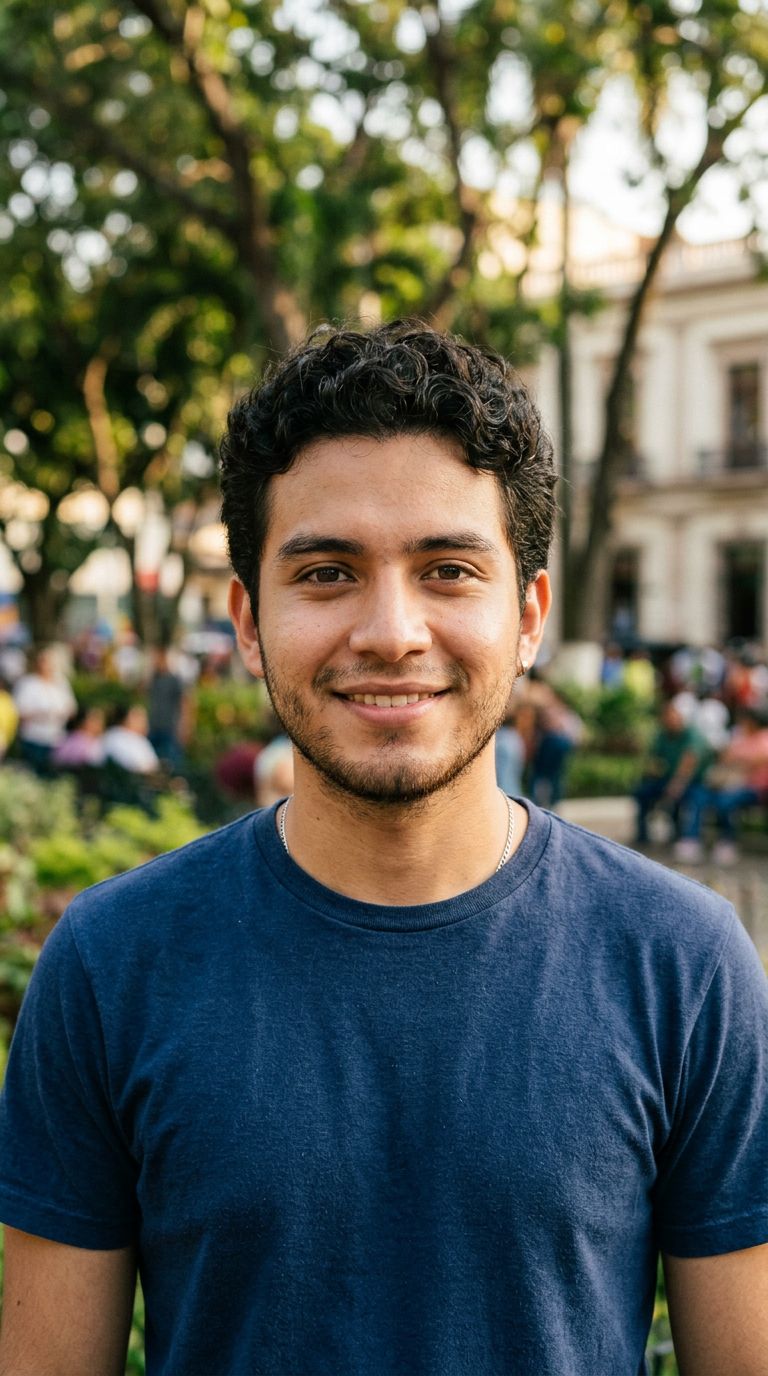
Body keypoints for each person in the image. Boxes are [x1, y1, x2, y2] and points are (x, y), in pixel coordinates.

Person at [0, 322, 766, 1376]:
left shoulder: (684, 963)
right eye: (325, 572)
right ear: (251, 621)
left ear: (530, 614)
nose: (392, 629)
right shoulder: (110, 963)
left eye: (449, 568)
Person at [633, 697, 711, 857]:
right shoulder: (662, 735)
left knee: (694, 799)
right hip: (667, 779)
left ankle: (690, 839)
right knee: (642, 792)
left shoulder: (692, 734)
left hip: (694, 782)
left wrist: (677, 783)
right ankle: (642, 836)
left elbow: (690, 760)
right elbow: (654, 759)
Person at [11, 646, 77, 774]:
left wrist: (59, 714)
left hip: (56, 739)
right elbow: (19, 712)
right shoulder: (27, 684)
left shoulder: (61, 683)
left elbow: (71, 709)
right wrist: (41, 715)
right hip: (33, 738)